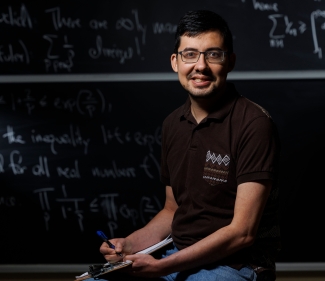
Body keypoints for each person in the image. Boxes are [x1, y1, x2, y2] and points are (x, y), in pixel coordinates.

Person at [90, 10, 281, 281]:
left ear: (230, 62)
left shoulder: (254, 123)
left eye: (213, 54)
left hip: (235, 266)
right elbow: (172, 209)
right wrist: (130, 245)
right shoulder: (173, 124)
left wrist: (163, 267)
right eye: (190, 54)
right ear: (175, 62)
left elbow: (243, 233)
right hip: (175, 255)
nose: (200, 66)